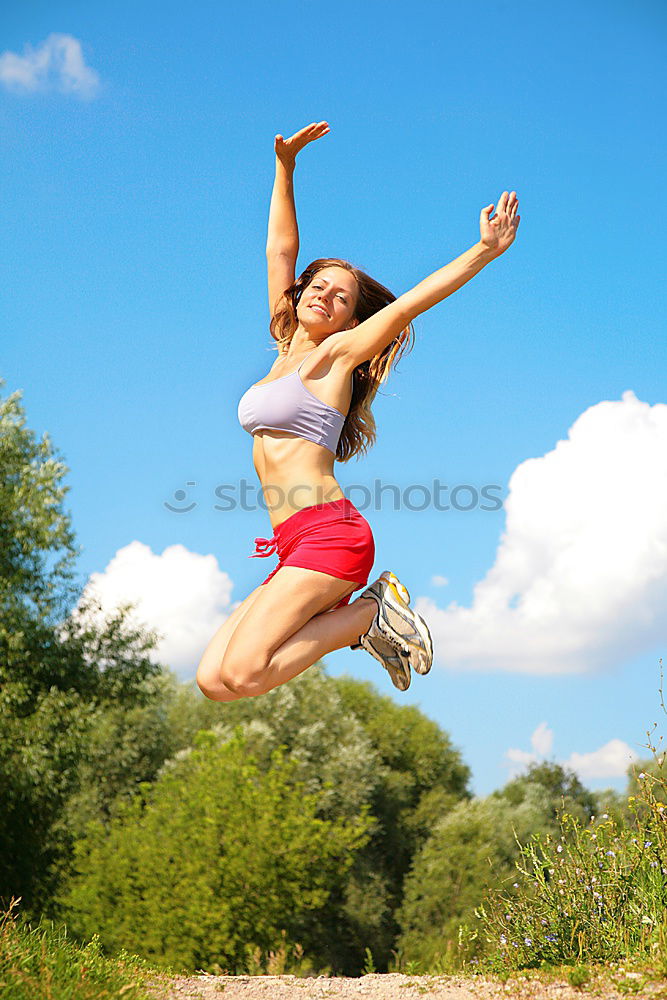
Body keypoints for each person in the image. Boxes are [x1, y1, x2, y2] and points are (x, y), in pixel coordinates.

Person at [196, 121, 520, 702]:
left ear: (349, 321)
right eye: (317, 285)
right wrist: (285, 167)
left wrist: (483, 251)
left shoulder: (336, 359)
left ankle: (368, 615)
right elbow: (280, 249)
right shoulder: (282, 348)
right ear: (299, 294)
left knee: (245, 673)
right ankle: (366, 625)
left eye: (340, 296)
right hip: (291, 540)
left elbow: (412, 304)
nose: (324, 294)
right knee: (214, 681)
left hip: (330, 535)